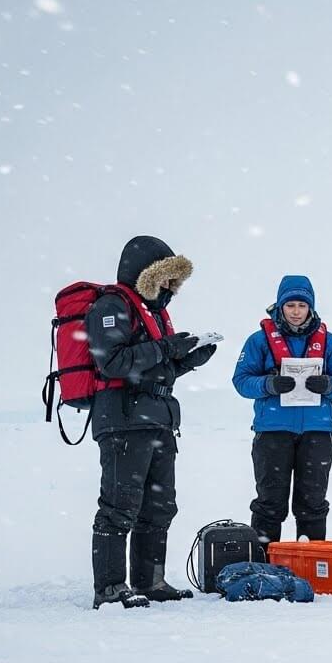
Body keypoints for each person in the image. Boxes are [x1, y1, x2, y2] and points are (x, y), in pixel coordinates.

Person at [87, 235, 218, 609]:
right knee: (120, 506)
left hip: (157, 419)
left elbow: (155, 368)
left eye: (174, 281)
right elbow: (112, 362)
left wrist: (188, 359)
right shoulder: (112, 306)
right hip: (124, 419)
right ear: (145, 274)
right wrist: (167, 348)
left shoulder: (154, 313)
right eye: (165, 278)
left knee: (160, 506)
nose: (170, 288)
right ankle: (110, 587)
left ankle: (150, 581)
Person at [232, 275, 332, 548]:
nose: (296, 312)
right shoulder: (259, 341)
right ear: (280, 306)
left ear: (310, 307)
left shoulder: (329, 342)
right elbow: (241, 380)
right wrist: (268, 384)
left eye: (302, 305)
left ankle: (312, 562)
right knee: (270, 503)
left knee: (313, 503)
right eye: (290, 305)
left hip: (317, 431)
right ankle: (263, 561)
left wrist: (329, 384)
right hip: (273, 432)